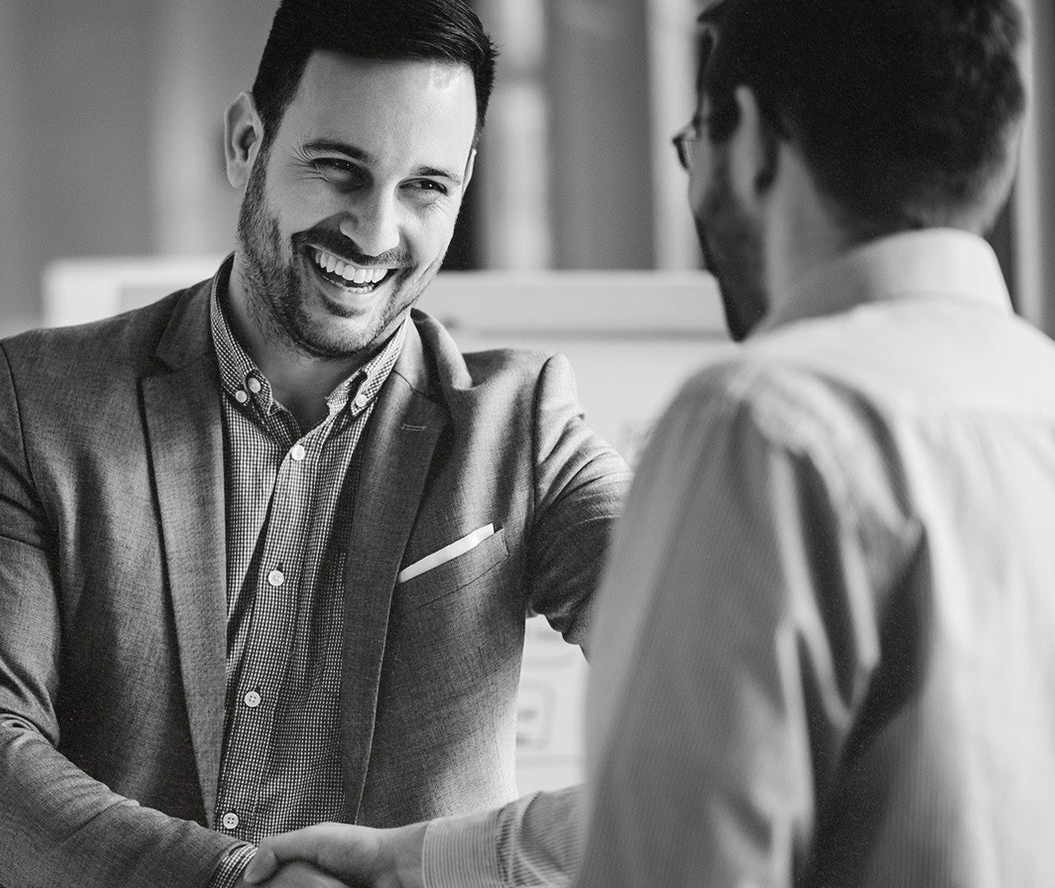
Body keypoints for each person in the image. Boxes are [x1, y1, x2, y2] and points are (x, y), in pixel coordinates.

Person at [245, 0, 1055, 885]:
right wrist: (422, 859)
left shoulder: (766, 423)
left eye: (691, 141)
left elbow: (678, 855)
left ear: (744, 139)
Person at [0, 1, 631, 886]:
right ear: (247, 142)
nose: (374, 230)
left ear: (465, 183)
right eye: (338, 169)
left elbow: (719, 664)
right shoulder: (39, 401)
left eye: (424, 188)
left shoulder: (523, 426)